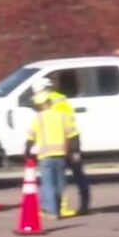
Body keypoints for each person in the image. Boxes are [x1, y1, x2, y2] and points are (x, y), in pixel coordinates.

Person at [32, 77, 90, 214]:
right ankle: (83, 206)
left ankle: (60, 208)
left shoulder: (49, 100)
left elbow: (58, 124)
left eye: (35, 92)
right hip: (69, 139)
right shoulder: (60, 98)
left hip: (64, 143)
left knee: (59, 178)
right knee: (75, 175)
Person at [27, 90, 81, 217]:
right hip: (61, 155)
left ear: (40, 105)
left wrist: (27, 151)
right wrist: (75, 151)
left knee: (48, 184)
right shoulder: (62, 116)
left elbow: (30, 136)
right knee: (60, 183)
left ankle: (51, 211)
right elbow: (73, 135)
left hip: (45, 156)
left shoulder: (38, 118)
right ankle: (62, 208)